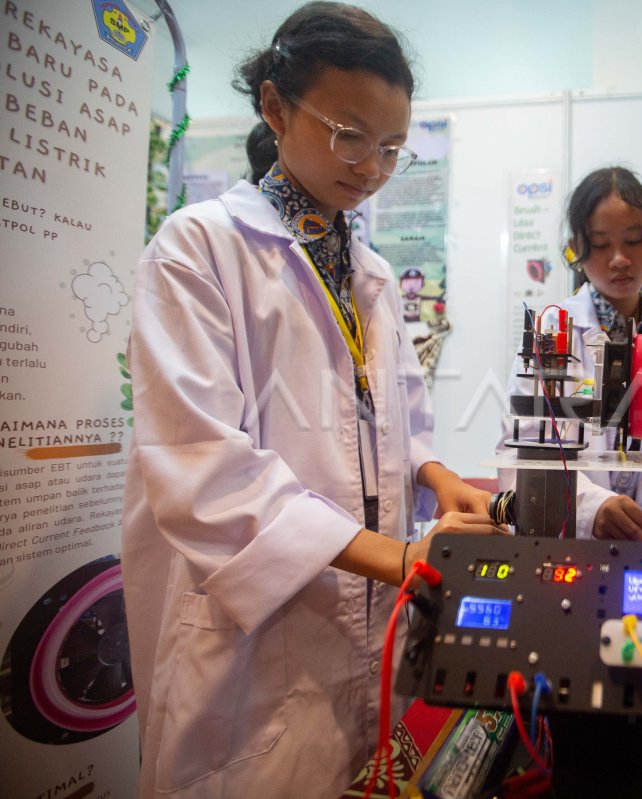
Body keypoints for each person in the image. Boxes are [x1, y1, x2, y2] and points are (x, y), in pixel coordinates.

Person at [121, 5, 506, 796]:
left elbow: (398, 409)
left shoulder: (368, 270)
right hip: (249, 643)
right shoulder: (197, 251)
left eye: (392, 147)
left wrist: (437, 476)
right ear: (274, 107)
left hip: (364, 622)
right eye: (348, 134)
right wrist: (401, 560)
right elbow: (206, 469)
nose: (371, 165)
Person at [499, 166, 642, 541]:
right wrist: (590, 506)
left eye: (634, 240)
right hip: (568, 541)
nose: (619, 259)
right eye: (601, 245)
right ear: (577, 248)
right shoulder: (551, 335)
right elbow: (518, 453)